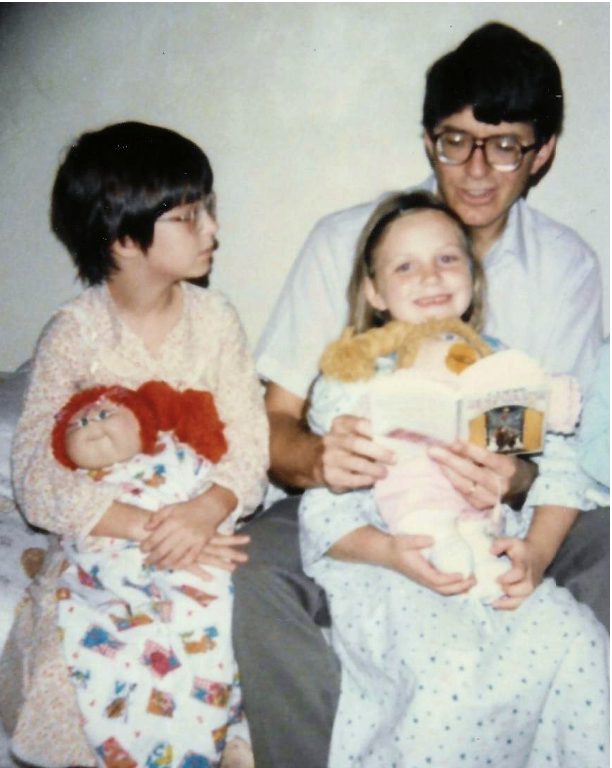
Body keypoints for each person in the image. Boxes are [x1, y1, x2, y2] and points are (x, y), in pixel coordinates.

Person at [232, 22, 606, 768]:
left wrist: (513, 478)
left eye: (504, 144)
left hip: (505, 495)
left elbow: (546, 448)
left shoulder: (565, 265)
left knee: (605, 559)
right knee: (253, 574)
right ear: (427, 140)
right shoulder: (347, 239)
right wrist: (324, 457)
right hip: (361, 490)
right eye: (453, 140)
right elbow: (275, 424)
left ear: (543, 152)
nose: (474, 168)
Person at [299, 190, 608, 767]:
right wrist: (390, 551)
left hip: (492, 550)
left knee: (579, 642)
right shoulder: (354, 385)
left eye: (448, 258)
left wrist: (535, 555)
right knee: (450, 677)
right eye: (405, 265)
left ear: (472, 273)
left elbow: (560, 468)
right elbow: (326, 511)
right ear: (374, 291)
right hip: (394, 561)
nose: (431, 277)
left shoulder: (498, 373)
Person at [0, 122, 268, 768]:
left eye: (208, 211)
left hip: (197, 523)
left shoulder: (216, 321)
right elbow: (34, 471)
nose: (212, 231)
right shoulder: (74, 333)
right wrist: (148, 526)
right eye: (188, 216)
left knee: (228, 636)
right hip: (112, 537)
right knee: (82, 660)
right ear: (123, 239)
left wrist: (207, 510)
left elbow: (251, 442)